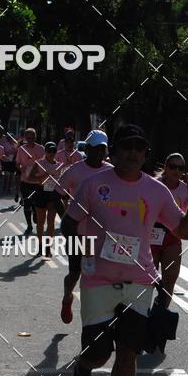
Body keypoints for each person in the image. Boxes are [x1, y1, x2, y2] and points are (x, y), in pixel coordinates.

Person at [60, 124, 188, 376]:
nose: (134, 153)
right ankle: (85, 363)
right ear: (116, 151)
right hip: (98, 280)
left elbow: (184, 231)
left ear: (145, 155)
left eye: (140, 148)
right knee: (99, 354)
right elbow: (69, 223)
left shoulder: (156, 191)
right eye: (128, 147)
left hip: (139, 281)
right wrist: (84, 250)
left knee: (128, 353)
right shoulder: (94, 185)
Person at [58, 129, 113, 324]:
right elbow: (58, 192)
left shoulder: (111, 171)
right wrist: (66, 217)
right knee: (75, 272)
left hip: (102, 235)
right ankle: (67, 297)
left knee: (99, 274)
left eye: (102, 149)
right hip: (77, 232)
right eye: (95, 149)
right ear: (87, 149)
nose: (99, 153)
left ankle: (96, 315)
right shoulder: (75, 170)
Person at [151, 152, 188, 308]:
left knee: (170, 280)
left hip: (172, 236)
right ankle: (140, 313)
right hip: (151, 235)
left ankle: (160, 313)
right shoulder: (152, 184)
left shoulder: (186, 190)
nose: (177, 171)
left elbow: (184, 217)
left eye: (181, 168)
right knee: (146, 279)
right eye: (173, 166)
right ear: (165, 167)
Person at [29, 142, 63, 257]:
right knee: (40, 222)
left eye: (54, 151)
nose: (52, 154)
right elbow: (30, 177)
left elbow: (62, 180)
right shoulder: (39, 163)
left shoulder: (59, 165)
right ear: (45, 152)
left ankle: (48, 247)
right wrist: (42, 177)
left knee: (51, 221)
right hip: (41, 192)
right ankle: (39, 245)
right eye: (49, 151)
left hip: (53, 194)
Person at [15, 127, 45, 234]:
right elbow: (17, 163)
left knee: (36, 204)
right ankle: (29, 226)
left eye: (32, 136)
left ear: (35, 137)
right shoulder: (21, 149)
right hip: (25, 181)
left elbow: (44, 163)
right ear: (25, 137)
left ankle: (36, 215)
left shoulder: (41, 149)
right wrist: (21, 168)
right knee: (27, 203)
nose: (30, 138)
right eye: (28, 136)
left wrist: (36, 170)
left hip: (37, 182)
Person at [55, 129, 84, 212]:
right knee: (64, 199)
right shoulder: (59, 153)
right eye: (68, 143)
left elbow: (81, 167)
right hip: (63, 179)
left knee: (72, 200)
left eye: (71, 143)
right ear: (65, 143)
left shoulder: (78, 154)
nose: (70, 144)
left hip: (75, 181)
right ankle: (65, 215)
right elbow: (55, 166)